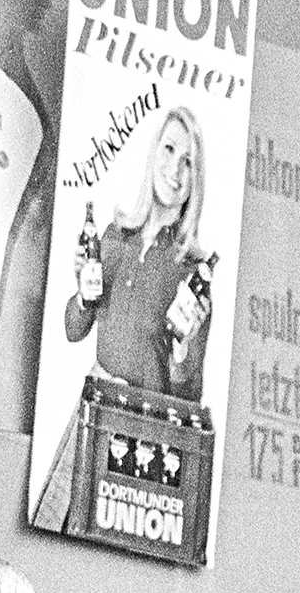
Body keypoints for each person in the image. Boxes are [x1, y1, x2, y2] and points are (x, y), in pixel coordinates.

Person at [65, 105, 215, 399]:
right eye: (169, 149)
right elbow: (73, 330)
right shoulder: (115, 235)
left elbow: (189, 397)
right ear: (154, 152)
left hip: (144, 429)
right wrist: (82, 295)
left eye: (188, 162)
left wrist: (182, 351)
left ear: (196, 179)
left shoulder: (193, 271)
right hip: (97, 409)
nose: (175, 169)